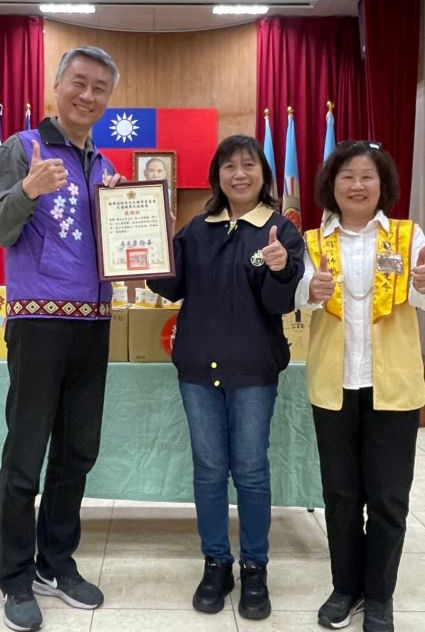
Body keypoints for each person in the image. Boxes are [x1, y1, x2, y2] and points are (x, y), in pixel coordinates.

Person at [0, 46, 125, 632]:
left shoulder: (105, 166)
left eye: (99, 88)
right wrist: (28, 191)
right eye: (78, 83)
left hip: (94, 321)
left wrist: (137, 233)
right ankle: (15, 577)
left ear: (108, 100)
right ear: (57, 85)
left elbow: (115, 247)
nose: (87, 96)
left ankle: (55, 562)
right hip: (37, 322)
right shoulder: (23, 148)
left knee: (78, 451)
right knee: (26, 452)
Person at [148, 135, 304, 621]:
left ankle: (254, 567)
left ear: (263, 174)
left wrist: (281, 270)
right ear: (217, 175)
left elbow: (280, 304)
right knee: (209, 469)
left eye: (249, 165)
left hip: (254, 370)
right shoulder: (197, 229)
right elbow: (170, 284)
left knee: (252, 471)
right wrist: (145, 247)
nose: (239, 174)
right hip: (198, 368)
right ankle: (216, 562)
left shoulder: (280, 229)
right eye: (230, 166)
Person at [295, 141, 425, 632]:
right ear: (332, 185)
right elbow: (299, 300)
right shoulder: (312, 241)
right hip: (333, 385)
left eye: (367, 176)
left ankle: (379, 596)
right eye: (347, 176)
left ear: (383, 186)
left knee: (387, 497)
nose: (357, 185)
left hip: (392, 387)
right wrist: (310, 290)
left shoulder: (407, 235)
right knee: (340, 495)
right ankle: (345, 588)